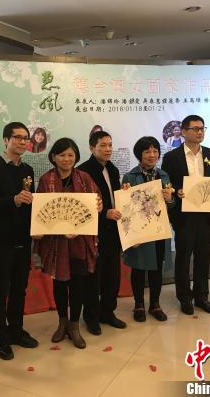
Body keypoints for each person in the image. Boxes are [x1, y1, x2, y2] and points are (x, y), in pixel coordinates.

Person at [0, 121, 39, 360]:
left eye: (25, 138)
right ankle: (0, 336)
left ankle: (16, 330)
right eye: (17, 137)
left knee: (19, 288)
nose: (22, 141)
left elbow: (31, 204)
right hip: (1, 240)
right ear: (6, 140)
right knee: (0, 288)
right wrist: (13, 200)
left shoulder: (27, 169)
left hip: (23, 238)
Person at [36, 138, 102, 349]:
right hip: (56, 243)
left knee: (78, 284)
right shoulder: (46, 180)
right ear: (53, 157)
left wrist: (98, 205)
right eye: (62, 155)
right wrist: (60, 228)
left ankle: (74, 325)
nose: (66, 159)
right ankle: (62, 322)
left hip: (80, 241)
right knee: (59, 284)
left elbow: (96, 201)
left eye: (70, 155)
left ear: (76, 157)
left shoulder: (84, 177)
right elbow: (41, 212)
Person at [161, 115, 210, 315]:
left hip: (206, 214)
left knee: (204, 256)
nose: (200, 132)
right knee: (183, 257)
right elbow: (167, 183)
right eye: (195, 129)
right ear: (184, 132)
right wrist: (177, 190)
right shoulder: (172, 157)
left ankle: (202, 296)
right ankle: (184, 297)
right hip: (184, 215)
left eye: (202, 128)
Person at [78, 131, 126, 334]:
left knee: (112, 275)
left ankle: (108, 312)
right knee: (93, 277)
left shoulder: (112, 169)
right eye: (103, 145)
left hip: (113, 232)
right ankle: (91, 317)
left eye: (110, 145)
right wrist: (105, 212)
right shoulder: (83, 171)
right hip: (94, 233)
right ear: (92, 148)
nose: (108, 149)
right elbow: (82, 205)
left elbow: (115, 197)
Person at [122, 137, 175, 322]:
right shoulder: (130, 176)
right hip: (140, 230)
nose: (152, 155)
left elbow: (171, 206)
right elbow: (126, 206)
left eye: (155, 151)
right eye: (147, 152)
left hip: (159, 229)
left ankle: (155, 304)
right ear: (140, 155)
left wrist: (170, 199)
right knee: (138, 268)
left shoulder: (164, 175)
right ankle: (139, 305)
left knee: (156, 268)